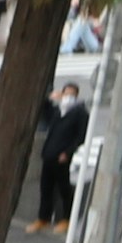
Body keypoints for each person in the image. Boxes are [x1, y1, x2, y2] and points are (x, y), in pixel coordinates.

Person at [35, 82, 91, 231]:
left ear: (76, 96)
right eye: (66, 94)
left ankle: (66, 219)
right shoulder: (57, 110)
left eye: (71, 94)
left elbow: (81, 136)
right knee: (45, 187)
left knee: (63, 188)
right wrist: (49, 98)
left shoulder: (80, 113)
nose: (68, 97)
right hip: (49, 153)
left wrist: (67, 152)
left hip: (63, 156)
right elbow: (44, 110)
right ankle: (43, 218)